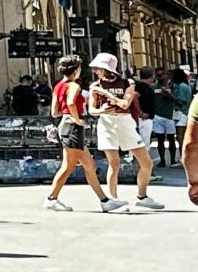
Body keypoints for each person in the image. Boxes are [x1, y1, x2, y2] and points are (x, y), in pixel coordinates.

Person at [45, 56, 122, 213]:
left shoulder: (58, 86)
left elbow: (54, 111)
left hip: (65, 125)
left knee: (79, 166)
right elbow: (72, 102)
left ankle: (53, 198)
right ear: (76, 70)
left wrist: (68, 115)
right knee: (80, 166)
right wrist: (75, 118)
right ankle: (104, 201)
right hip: (72, 126)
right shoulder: (73, 85)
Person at [86, 53, 161, 212]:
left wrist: (105, 94)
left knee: (146, 162)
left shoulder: (128, 82)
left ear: (106, 68)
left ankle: (142, 196)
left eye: (97, 68)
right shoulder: (95, 85)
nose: (94, 70)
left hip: (125, 122)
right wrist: (101, 109)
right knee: (114, 163)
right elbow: (92, 110)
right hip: (106, 122)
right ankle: (113, 199)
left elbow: (125, 103)